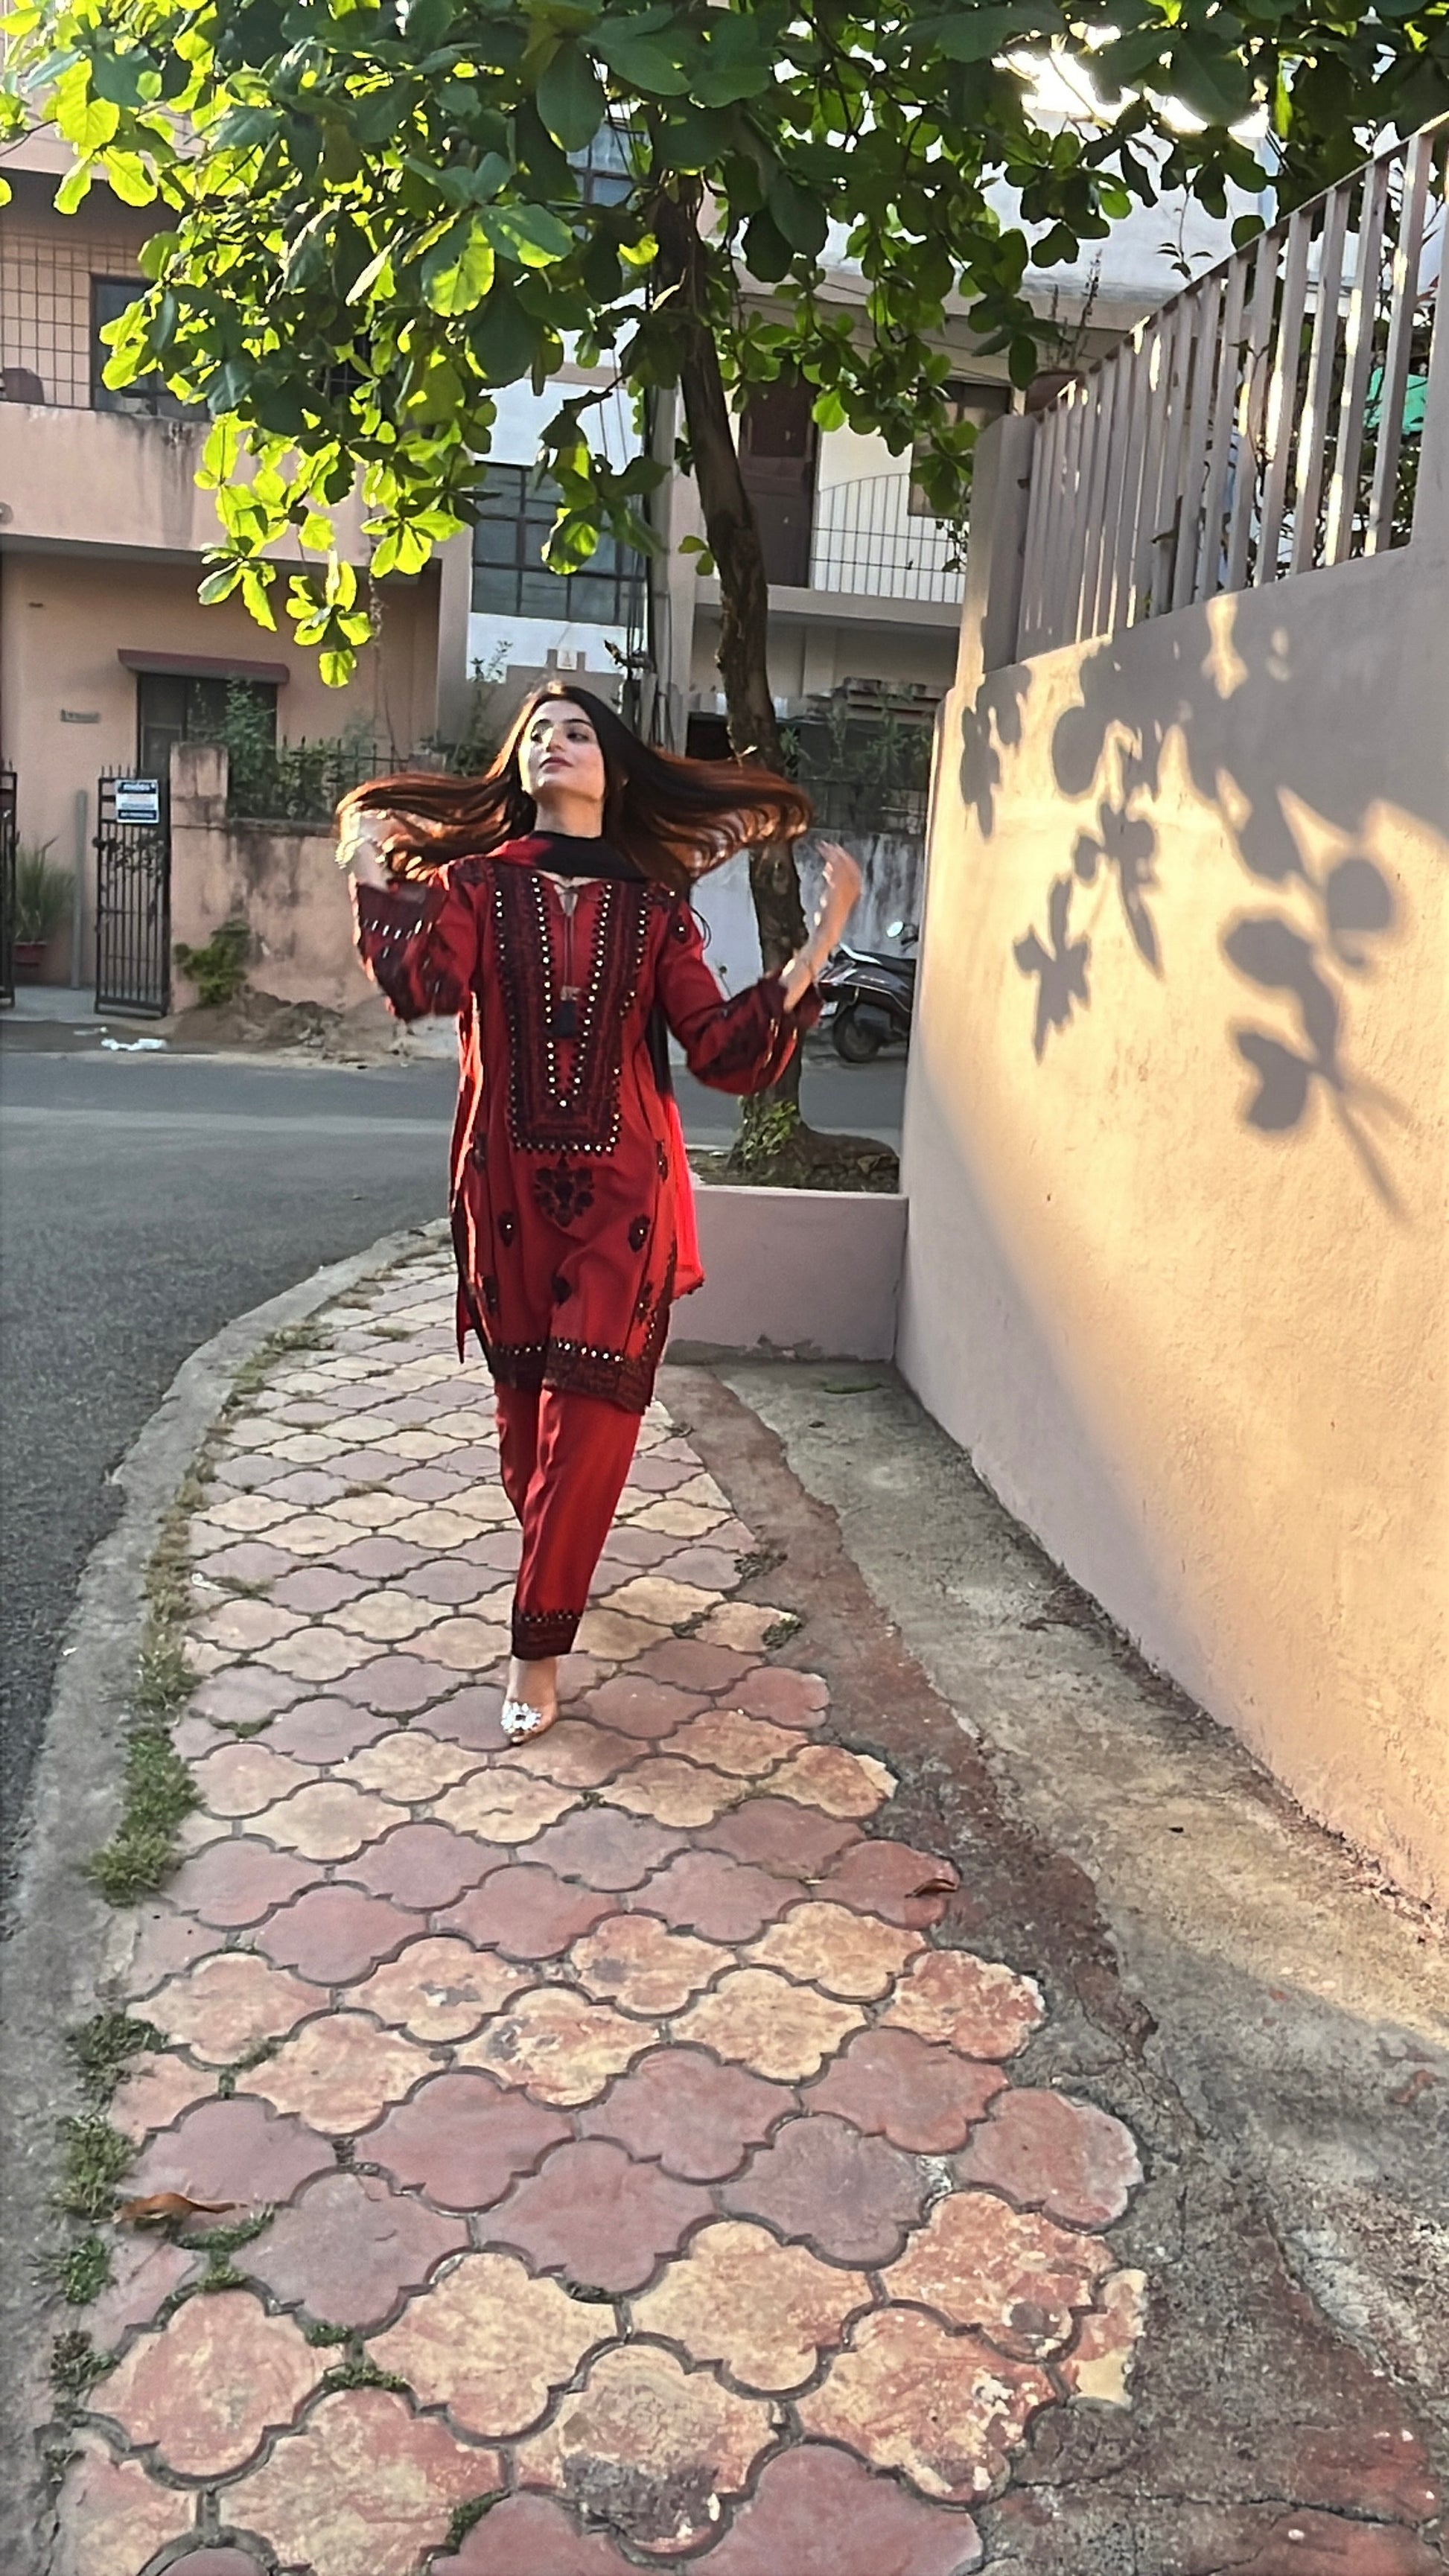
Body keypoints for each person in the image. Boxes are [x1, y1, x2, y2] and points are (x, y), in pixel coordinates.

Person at [339, 682, 862, 1743]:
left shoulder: (654, 908)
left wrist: (820, 944)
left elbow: (721, 1052)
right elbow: (421, 987)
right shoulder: (476, 885)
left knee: (591, 1412)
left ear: (612, 766)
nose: (554, 743)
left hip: (625, 1193)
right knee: (527, 1434)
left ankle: (536, 1649)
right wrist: (366, 866)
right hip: (503, 1196)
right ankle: (559, 1554)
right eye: (537, 733)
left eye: (577, 731)